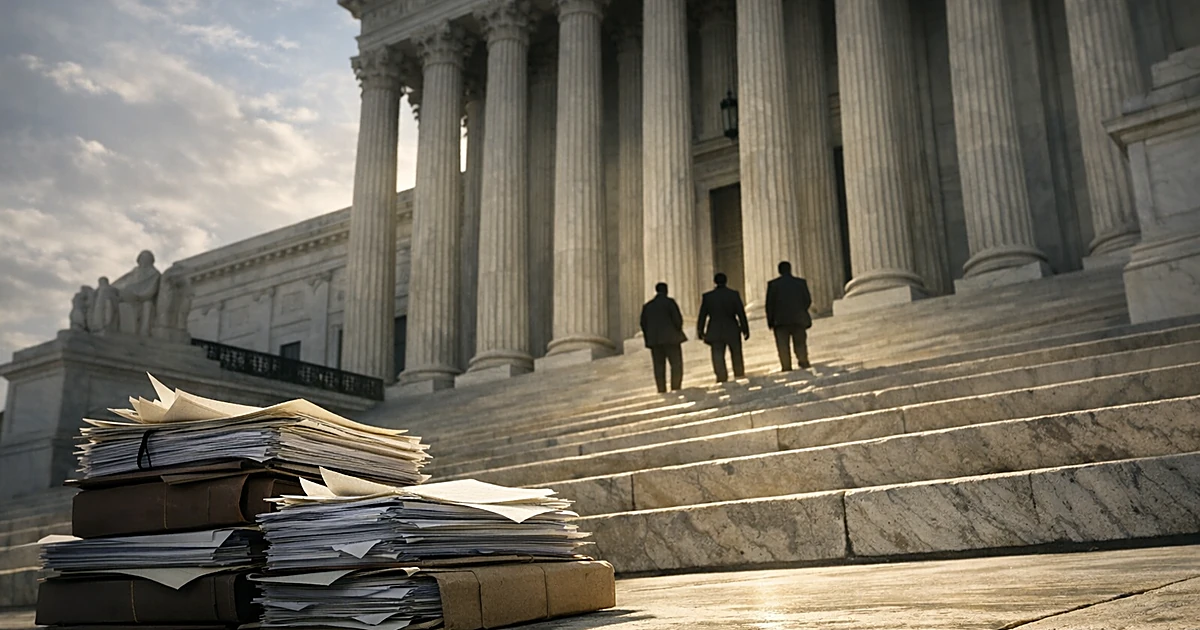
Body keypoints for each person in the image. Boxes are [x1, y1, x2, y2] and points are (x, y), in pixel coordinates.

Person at [697, 273, 749, 383]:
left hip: (715, 330)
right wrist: (745, 329)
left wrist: (700, 331)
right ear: (726, 281)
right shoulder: (733, 294)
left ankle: (721, 376)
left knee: (717, 355)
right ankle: (739, 373)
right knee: (736, 353)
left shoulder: (708, 297)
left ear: (715, 282)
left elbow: (702, 315)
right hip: (732, 328)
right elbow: (741, 313)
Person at [639, 282, 687, 393]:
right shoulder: (670, 303)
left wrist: (649, 338)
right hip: (671, 339)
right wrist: (677, 331)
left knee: (659, 367)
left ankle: (661, 389)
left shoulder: (648, 306)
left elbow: (643, 324)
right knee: (676, 364)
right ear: (666, 290)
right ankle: (676, 387)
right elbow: (677, 319)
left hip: (655, 341)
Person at [766, 260, 813, 371]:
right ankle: (803, 360)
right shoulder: (800, 283)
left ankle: (786, 365)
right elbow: (807, 300)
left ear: (779, 271)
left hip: (780, 321)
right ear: (790, 269)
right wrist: (801, 311)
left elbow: (769, 305)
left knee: (782, 346)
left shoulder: (773, 285)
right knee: (800, 342)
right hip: (798, 318)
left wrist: (771, 321)